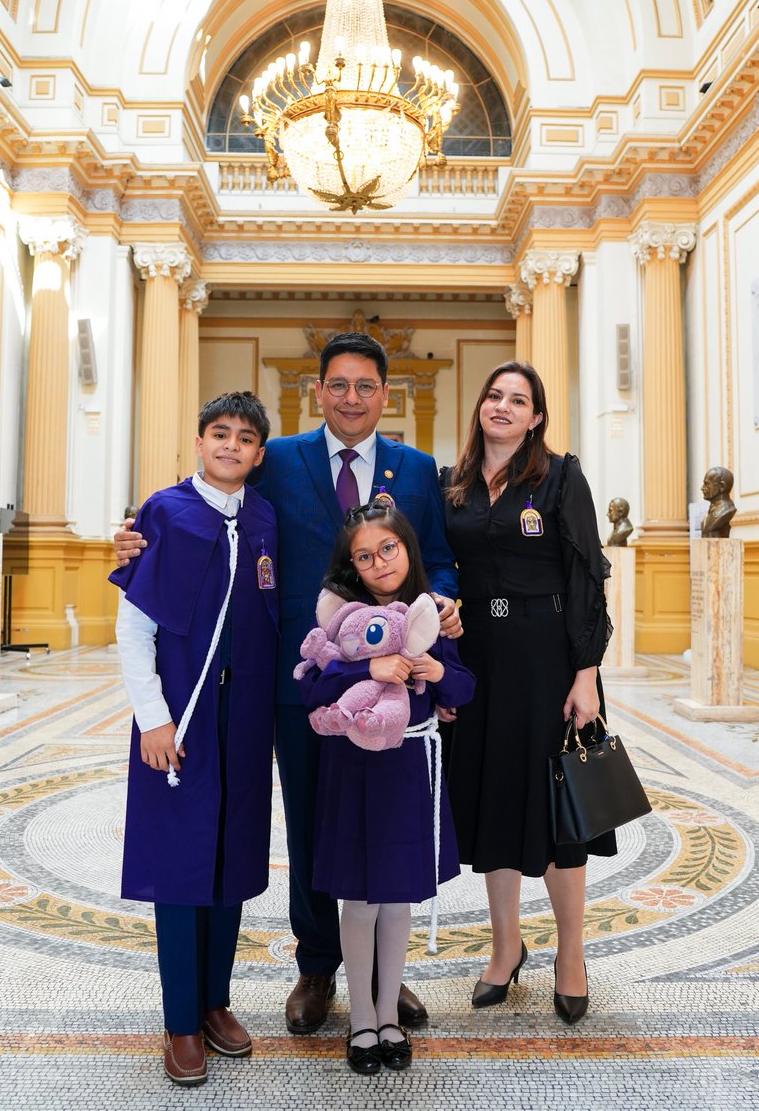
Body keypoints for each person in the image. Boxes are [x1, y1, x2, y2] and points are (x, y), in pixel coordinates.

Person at [113, 332, 460, 1033]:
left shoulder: (418, 469)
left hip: (393, 685)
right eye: (339, 385)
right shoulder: (277, 462)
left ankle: (384, 975)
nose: (352, 398)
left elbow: (441, 562)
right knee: (309, 823)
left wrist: (446, 600)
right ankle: (319, 964)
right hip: (299, 685)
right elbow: (210, 509)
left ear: (385, 395)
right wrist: (134, 541)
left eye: (366, 386)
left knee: (386, 819)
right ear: (318, 391)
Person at [109, 392, 278, 1086]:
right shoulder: (163, 512)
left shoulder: (264, 516)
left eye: (244, 438)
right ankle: (180, 1022)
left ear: (259, 453)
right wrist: (152, 716)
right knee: (180, 867)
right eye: (219, 434)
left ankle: (215, 1002)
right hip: (176, 724)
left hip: (244, 723)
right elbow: (133, 628)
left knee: (232, 861)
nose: (231, 446)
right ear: (199, 441)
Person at [439, 360, 614, 1025]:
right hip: (479, 658)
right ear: (480, 405)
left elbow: (587, 574)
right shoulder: (450, 484)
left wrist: (586, 672)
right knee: (495, 805)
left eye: (519, 400)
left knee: (560, 810)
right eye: (495, 395)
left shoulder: (561, 477)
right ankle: (506, 948)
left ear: (537, 416)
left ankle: (572, 955)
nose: (504, 407)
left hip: (548, 659)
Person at [298, 501, 475, 1074]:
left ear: (408, 548)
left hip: (408, 774)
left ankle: (388, 1009)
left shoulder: (430, 615)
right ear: (351, 565)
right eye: (364, 557)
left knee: (396, 895)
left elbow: (465, 689)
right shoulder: (343, 623)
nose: (378, 563)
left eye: (388, 549)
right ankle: (361, 1018)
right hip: (354, 770)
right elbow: (312, 687)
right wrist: (365, 671)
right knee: (360, 897)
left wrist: (440, 674)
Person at [700, 466, 736, 538]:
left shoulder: (726, 511)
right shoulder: (712, 510)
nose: (702, 488)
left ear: (722, 486)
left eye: (706, 484)